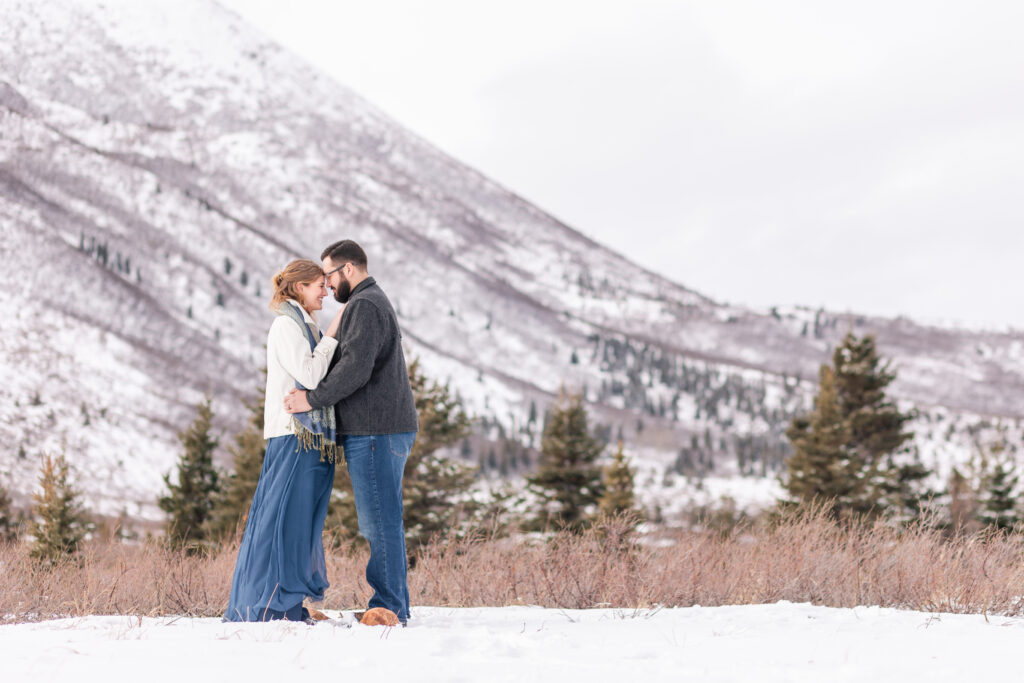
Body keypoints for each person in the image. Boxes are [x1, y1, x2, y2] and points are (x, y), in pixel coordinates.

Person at [283, 240, 418, 626]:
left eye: (329, 274)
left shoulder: (365, 305)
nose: (327, 284)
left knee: (379, 520)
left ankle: (389, 608)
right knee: (382, 518)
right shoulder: (366, 303)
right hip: (379, 428)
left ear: (348, 270)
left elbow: (355, 370)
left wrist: (312, 399)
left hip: (377, 430)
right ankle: (393, 604)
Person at [224, 259, 345, 622]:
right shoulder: (285, 326)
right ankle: (264, 604)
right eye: (319, 285)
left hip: (307, 436)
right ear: (298, 287)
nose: (325, 291)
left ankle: (284, 603)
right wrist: (333, 337)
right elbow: (308, 372)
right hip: (295, 436)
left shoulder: (304, 324)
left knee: (297, 521)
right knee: (282, 520)